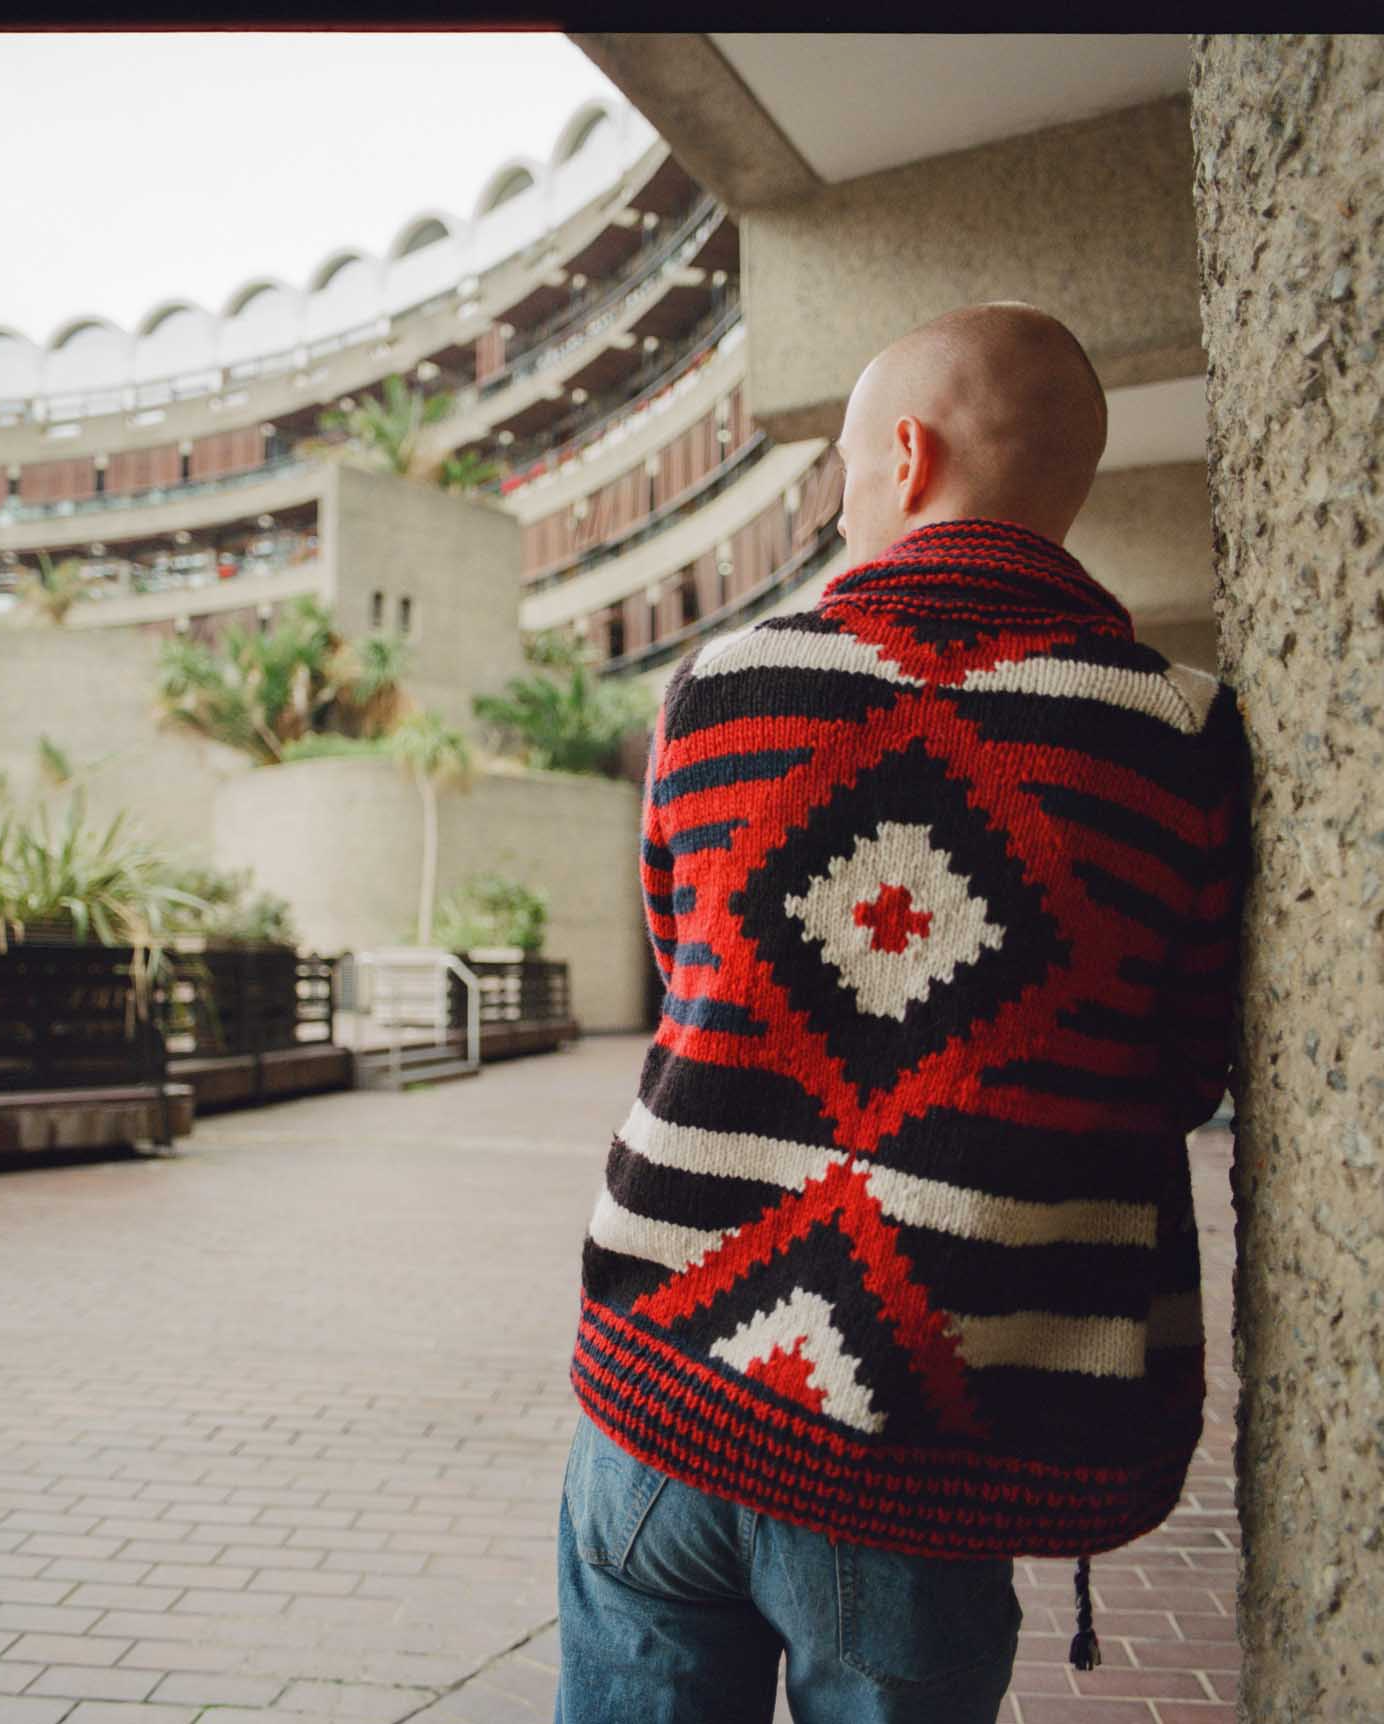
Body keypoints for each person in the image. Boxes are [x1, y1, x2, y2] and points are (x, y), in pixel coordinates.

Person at [554, 303, 1250, 1724]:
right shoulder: (1177, 731)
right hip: (928, 1450)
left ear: (909, 458)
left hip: (662, 1398)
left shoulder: (718, 690)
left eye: (849, 476)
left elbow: (693, 975)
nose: (843, 511)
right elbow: (1181, 1065)